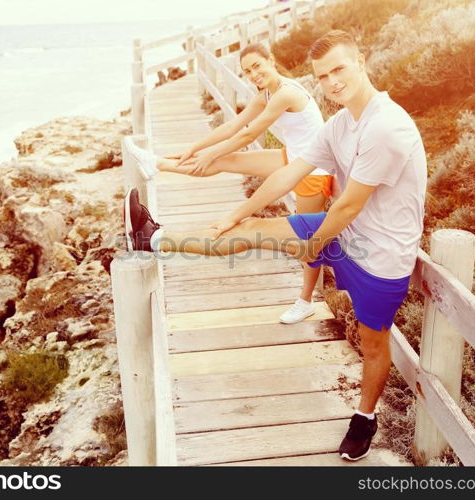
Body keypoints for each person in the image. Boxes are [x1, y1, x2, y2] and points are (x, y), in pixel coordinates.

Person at [124, 30, 427, 461]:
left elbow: (348, 206)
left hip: (380, 257)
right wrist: (238, 212)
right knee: (245, 232)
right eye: (323, 76)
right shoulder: (340, 124)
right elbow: (290, 172)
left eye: (340, 69)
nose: (333, 82)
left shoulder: (387, 127)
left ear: (361, 62)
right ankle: (151, 238)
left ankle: (364, 418)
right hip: (341, 231)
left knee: (373, 342)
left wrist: (312, 245)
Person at [134, 43, 334, 324]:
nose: (254, 74)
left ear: (271, 61)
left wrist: (211, 153)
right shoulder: (265, 92)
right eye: (248, 71)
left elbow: (249, 133)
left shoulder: (286, 93)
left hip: (314, 171)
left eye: (257, 66)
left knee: (309, 241)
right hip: (295, 157)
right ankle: (157, 164)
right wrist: (196, 148)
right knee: (229, 160)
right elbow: (233, 126)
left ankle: (305, 301)